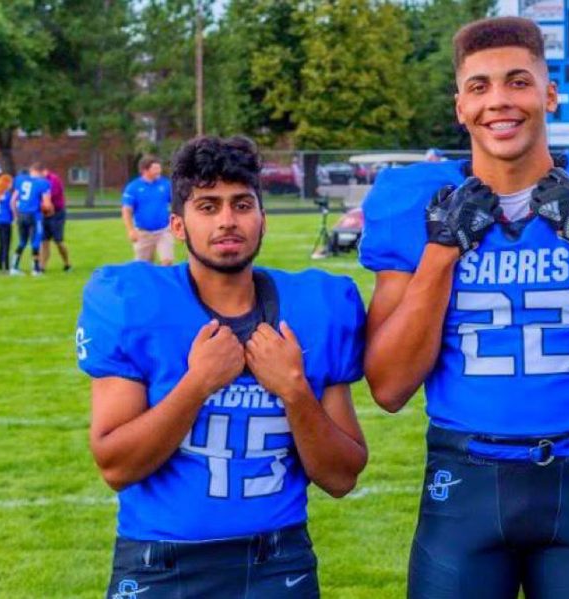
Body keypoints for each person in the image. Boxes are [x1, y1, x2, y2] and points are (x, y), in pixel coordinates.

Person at [360, 17, 569, 598]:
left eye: (518, 82)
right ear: (460, 105)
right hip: (463, 483)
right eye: (480, 87)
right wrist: (440, 252)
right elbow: (388, 387)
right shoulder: (420, 203)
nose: (499, 101)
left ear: (549, 94)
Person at [76, 135, 367, 598]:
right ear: (178, 224)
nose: (228, 221)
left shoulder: (317, 307)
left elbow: (341, 476)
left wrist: (293, 389)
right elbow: (116, 466)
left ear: (262, 218)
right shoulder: (134, 302)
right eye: (208, 206)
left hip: (277, 560)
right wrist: (198, 383)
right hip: (160, 560)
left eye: (241, 204)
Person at [122, 155, 174, 265]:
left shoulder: (165, 184)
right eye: (155, 168)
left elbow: (175, 203)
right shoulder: (133, 187)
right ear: (145, 170)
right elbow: (126, 210)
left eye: (159, 168)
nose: (159, 171)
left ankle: (162, 282)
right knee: (143, 267)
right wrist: (131, 230)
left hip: (164, 231)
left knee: (167, 261)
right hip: (143, 233)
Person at [10, 163, 51, 275]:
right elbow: (47, 204)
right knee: (36, 241)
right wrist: (48, 211)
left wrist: (15, 215)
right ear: (40, 171)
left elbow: (13, 200)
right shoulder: (43, 183)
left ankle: (14, 267)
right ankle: (36, 269)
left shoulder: (20, 180)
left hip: (21, 214)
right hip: (34, 215)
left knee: (22, 241)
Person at [39, 166, 72, 272]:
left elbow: (50, 196)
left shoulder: (53, 180)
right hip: (44, 214)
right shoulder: (39, 181)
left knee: (58, 241)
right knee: (44, 240)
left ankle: (67, 263)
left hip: (56, 213)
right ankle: (42, 266)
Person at [0, 173, 15, 273]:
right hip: (6, 220)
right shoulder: (7, 195)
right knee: (6, 243)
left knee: (1, 243)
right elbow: (11, 206)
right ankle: (6, 266)